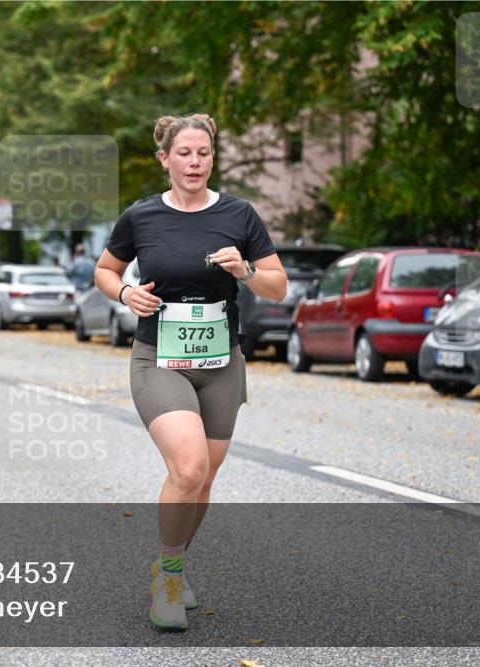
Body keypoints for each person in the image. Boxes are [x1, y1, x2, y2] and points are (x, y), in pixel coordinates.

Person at [94, 113, 286, 630]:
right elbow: (105, 271)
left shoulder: (240, 214)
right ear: (166, 159)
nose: (194, 161)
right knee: (188, 467)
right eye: (184, 153)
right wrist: (125, 293)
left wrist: (245, 271)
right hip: (158, 356)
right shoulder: (141, 217)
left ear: (211, 158)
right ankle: (170, 581)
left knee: (204, 479)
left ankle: (168, 563)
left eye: (203, 153)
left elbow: (278, 286)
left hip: (221, 362)